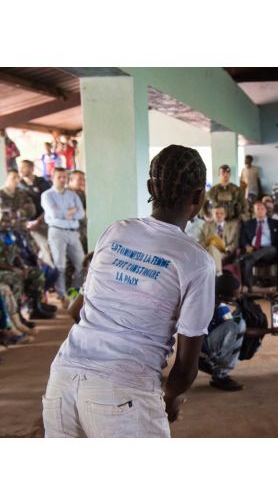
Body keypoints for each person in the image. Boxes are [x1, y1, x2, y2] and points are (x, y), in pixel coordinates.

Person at [42, 145, 215, 438]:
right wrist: (169, 400)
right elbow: (185, 367)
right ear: (199, 197)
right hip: (125, 392)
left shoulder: (116, 231)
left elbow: (75, 310)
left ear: (150, 187)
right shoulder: (196, 261)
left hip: (62, 378)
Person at [199, 272, 278, 391]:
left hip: (206, 342)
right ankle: (220, 375)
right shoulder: (215, 308)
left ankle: (210, 363)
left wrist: (264, 296)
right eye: (234, 296)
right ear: (221, 296)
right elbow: (243, 331)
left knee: (245, 312)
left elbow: (241, 297)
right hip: (203, 350)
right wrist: (274, 330)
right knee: (238, 324)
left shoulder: (214, 290)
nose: (237, 297)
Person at [41, 168, 85, 303]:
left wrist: (65, 213)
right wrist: (72, 212)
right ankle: (62, 295)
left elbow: (81, 214)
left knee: (82, 265)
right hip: (57, 232)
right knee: (60, 265)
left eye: (64, 177)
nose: (62, 179)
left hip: (72, 233)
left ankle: (74, 291)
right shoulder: (47, 195)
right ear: (53, 178)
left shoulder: (73, 195)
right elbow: (53, 214)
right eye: (59, 177)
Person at [239, 201, 278, 292]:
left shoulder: (275, 223)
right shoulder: (248, 224)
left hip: (270, 251)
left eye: (262, 209)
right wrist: (247, 246)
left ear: (266, 210)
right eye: (257, 209)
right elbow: (243, 239)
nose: (260, 211)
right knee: (248, 261)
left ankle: (251, 256)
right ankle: (249, 288)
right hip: (253, 249)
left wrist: (277, 248)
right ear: (254, 211)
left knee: (268, 250)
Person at [18, 159, 54, 266]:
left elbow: (50, 205)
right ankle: (50, 272)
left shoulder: (43, 182)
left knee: (53, 247)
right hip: (32, 225)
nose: (21, 169)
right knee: (45, 247)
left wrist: (40, 220)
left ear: (31, 168)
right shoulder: (20, 185)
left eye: (24, 167)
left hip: (47, 220)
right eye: (20, 167)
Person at [200, 205, 239, 275]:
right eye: (216, 213)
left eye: (221, 213)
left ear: (225, 215)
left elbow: (235, 242)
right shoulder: (206, 226)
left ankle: (214, 274)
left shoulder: (232, 226)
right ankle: (218, 274)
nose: (219, 215)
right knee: (213, 248)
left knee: (213, 250)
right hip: (209, 251)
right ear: (212, 215)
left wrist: (228, 249)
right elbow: (201, 241)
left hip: (226, 251)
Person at [68, 170, 88, 252]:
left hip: (82, 229)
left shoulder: (81, 192)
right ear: (71, 180)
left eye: (84, 180)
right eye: (80, 179)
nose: (83, 182)